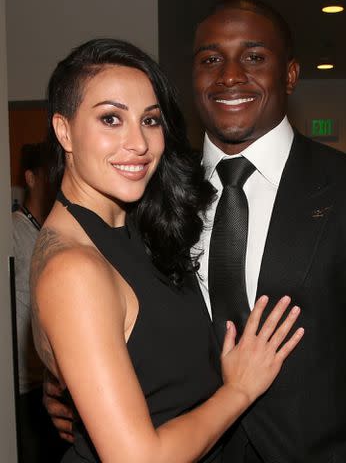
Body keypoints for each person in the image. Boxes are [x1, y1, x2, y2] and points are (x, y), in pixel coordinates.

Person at [30, 38, 303, 462]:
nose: (138, 143)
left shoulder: (130, 223)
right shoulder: (73, 267)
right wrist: (240, 389)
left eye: (150, 121)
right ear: (63, 130)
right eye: (110, 119)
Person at [190, 0, 346, 462]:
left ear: (290, 74)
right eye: (211, 59)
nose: (230, 75)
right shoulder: (153, 197)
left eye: (254, 57)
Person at [12, 142, 64, 462]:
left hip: (49, 381)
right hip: (20, 387)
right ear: (31, 178)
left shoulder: (54, 231)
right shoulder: (14, 231)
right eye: (48, 175)